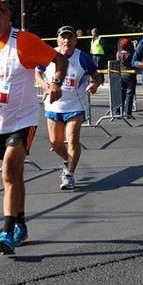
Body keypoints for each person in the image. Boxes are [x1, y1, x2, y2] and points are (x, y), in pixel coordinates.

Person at [0, 0, 68, 255]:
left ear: (8, 16)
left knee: (9, 172)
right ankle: (21, 223)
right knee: (16, 176)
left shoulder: (24, 41)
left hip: (23, 120)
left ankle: (7, 233)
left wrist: (55, 83)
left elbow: (60, 60)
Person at [35, 25, 102, 191]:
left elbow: (97, 76)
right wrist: (44, 86)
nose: (66, 41)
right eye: (63, 37)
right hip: (53, 105)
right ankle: (68, 160)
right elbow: (37, 72)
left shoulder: (82, 57)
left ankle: (69, 175)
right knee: (56, 143)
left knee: (72, 139)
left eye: (70, 37)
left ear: (75, 40)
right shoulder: (50, 54)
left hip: (75, 105)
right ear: (58, 40)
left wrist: (94, 85)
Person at [116, 37, 137, 119]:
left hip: (121, 75)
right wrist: (135, 47)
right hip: (130, 76)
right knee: (129, 94)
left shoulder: (118, 54)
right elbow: (137, 57)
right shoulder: (131, 54)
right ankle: (127, 113)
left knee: (121, 93)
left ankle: (118, 112)